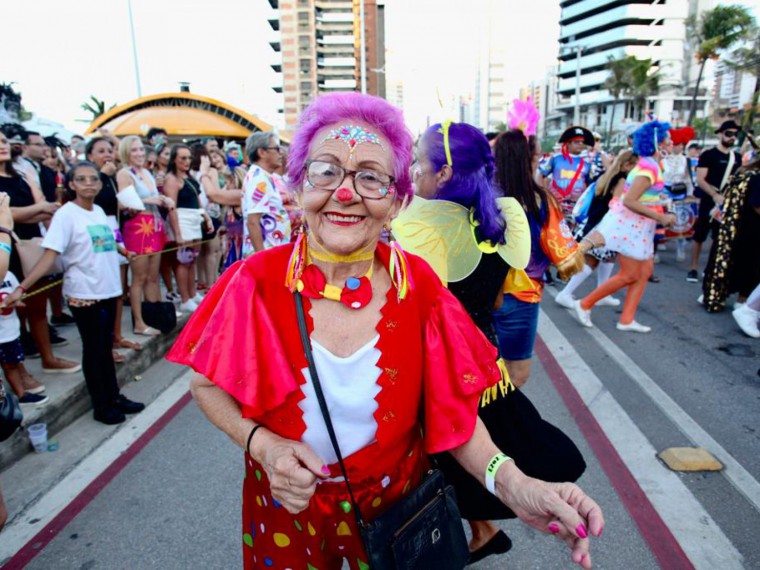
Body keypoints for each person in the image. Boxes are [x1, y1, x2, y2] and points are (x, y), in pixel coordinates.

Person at [167, 93, 603, 570]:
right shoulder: (252, 282)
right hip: (284, 518)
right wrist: (263, 446)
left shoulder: (420, 289)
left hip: (399, 520)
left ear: (396, 200)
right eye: (326, 171)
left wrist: (518, 486)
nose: (345, 193)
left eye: (370, 177)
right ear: (296, 187)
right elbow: (205, 383)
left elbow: (454, 418)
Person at [400, 121, 585, 565]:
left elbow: (419, 306)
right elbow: (503, 289)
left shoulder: (421, 225)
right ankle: (482, 530)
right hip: (487, 362)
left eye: (418, 163)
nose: (413, 172)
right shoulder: (504, 212)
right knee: (470, 451)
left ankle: (453, 540)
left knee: (429, 462)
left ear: (442, 174)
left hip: (440, 367)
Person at [2, 162, 145, 425]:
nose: (89, 183)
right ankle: (101, 405)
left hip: (108, 289)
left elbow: (108, 240)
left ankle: (114, 396)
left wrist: (124, 251)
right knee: (94, 350)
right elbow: (50, 255)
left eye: (94, 179)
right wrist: (22, 287)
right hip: (84, 294)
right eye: (82, 179)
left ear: (100, 184)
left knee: (105, 347)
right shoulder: (66, 215)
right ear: (71, 184)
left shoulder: (100, 211)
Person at [492, 130, 585, 386]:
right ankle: (497, 422)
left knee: (479, 369)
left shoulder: (479, 197)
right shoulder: (539, 201)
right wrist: (590, 242)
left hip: (481, 296)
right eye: (537, 155)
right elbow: (565, 257)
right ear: (527, 160)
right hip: (521, 296)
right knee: (515, 373)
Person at [572, 121, 677, 333]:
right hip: (631, 227)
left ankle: (627, 319)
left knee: (644, 271)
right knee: (629, 274)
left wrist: (661, 204)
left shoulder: (652, 165)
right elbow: (630, 200)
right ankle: (584, 304)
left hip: (640, 226)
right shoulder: (648, 167)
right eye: (667, 139)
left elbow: (644, 197)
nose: (671, 143)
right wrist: (660, 217)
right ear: (657, 142)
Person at [0, 131, 78, 372]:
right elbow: (7, 214)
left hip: (29, 244)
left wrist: (38, 208)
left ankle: (47, 358)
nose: (2, 145)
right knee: (9, 314)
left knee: (36, 304)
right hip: (5, 249)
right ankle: (18, 371)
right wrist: (37, 208)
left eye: (3, 141)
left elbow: (45, 207)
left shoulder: (22, 175)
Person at [555, 150, 638, 309]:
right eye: (635, 165)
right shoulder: (621, 179)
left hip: (595, 222)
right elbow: (616, 204)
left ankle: (602, 293)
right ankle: (565, 294)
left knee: (608, 257)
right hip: (603, 225)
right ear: (627, 165)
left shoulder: (607, 175)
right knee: (591, 262)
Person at [86, 137, 141, 363]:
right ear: (90, 156)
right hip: (95, 232)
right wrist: (103, 174)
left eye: (110, 150)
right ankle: (106, 344)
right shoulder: (93, 178)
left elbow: (111, 202)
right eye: (101, 151)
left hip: (113, 230)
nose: (107, 154)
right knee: (104, 290)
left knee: (118, 288)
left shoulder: (110, 177)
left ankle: (116, 336)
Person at [116, 135, 173, 335]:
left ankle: (153, 315)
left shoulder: (147, 173)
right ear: (126, 153)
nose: (139, 153)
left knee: (152, 276)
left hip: (154, 225)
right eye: (134, 150)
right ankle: (138, 322)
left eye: (141, 149)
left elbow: (153, 195)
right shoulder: (124, 173)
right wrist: (153, 200)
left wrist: (164, 199)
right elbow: (125, 202)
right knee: (138, 278)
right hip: (138, 227)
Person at [702, 152, 760, 334]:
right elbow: (756, 204)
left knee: (742, 264)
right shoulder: (755, 176)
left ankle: (743, 303)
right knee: (750, 267)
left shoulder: (747, 174)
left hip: (741, 227)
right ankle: (747, 306)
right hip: (750, 228)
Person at [687, 120, 742, 283]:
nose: (732, 137)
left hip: (726, 201)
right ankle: (693, 268)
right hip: (709, 200)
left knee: (718, 236)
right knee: (700, 235)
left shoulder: (737, 157)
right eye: (729, 133)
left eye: (734, 134)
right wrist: (713, 195)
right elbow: (701, 179)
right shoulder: (708, 155)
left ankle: (709, 268)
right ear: (720, 134)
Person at [163, 144, 213, 313]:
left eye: (189, 157)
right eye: (182, 158)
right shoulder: (171, 179)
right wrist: (177, 233)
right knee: (183, 261)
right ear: (174, 160)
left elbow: (198, 201)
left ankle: (192, 294)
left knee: (192, 259)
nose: (187, 161)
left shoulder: (189, 177)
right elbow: (172, 207)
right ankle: (185, 298)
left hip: (194, 219)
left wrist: (206, 217)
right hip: (182, 220)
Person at [241, 132, 291, 256]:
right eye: (276, 148)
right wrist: (261, 258)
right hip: (268, 252)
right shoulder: (259, 180)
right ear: (262, 152)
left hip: (273, 250)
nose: (281, 153)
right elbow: (253, 222)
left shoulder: (262, 176)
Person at [537, 126, 594, 216]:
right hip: (555, 205)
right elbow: (540, 175)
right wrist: (545, 194)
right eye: (577, 142)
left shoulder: (587, 164)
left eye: (582, 142)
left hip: (576, 207)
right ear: (568, 143)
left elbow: (590, 186)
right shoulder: (556, 158)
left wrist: (583, 199)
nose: (580, 144)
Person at [661, 127, 695, 262]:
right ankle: (659, 244)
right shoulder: (662, 159)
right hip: (665, 192)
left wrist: (690, 193)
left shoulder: (685, 160)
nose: (681, 146)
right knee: (663, 221)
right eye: (678, 144)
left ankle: (681, 246)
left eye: (683, 144)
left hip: (680, 192)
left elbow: (688, 178)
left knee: (681, 221)